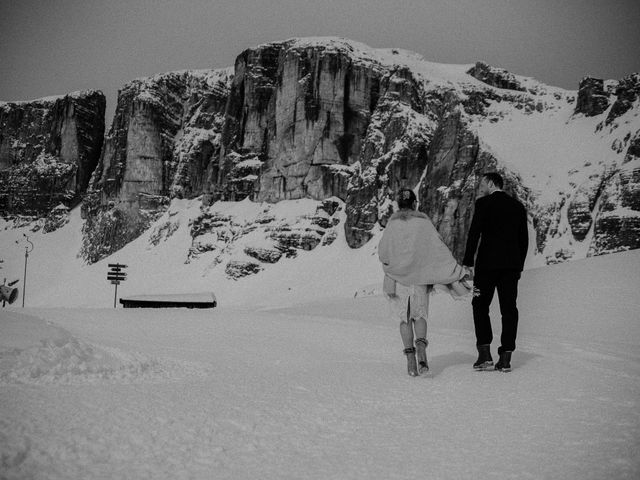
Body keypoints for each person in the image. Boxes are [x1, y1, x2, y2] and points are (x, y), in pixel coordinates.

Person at [378, 189, 470, 377]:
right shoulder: (423, 222)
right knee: (419, 315)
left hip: (398, 280)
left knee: (404, 318)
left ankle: (411, 361)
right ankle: (421, 350)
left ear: (398, 204)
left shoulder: (392, 224)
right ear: (414, 203)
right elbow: (438, 247)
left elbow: (383, 253)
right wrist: (454, 270)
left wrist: (394, 264)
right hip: (419, 278)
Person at [463, 172, 528, 372]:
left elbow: (474, 233)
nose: (480, 186)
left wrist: (468, 262)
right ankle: (506, 357)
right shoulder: (518, 207)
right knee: (509, 310)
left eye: (482, 182)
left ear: (491, 183)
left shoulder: (483, 204)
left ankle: (484, 355)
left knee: (479, 305)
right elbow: (523, 240)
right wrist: (519, 267)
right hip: (510, 267)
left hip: (486, 267)